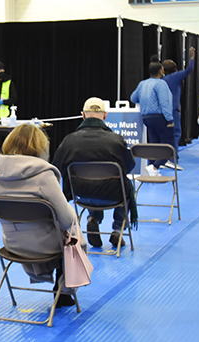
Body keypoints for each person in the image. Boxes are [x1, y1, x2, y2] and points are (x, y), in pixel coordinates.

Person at [0, 123, 78, 307]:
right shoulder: (44, 174)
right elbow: (67, 221)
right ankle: (64, 289)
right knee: (73, 234)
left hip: (11, 244)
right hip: (46, 246)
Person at [52, 97, 136, 251]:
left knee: (91, 183)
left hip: (79, 194)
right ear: (105, 115)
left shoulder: (69, 140)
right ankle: (117, 229)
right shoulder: (116, 141)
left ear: (83, 115)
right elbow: (129, 167)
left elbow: (56, 167)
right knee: (124, 184)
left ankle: (93, 218)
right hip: (113, 195)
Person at [130, 62, 174, 176]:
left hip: (146, 118)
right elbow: (165, 102)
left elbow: (133, 98)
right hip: (159, 117)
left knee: (154, 144)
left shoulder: (142, 84)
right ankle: (154, 166)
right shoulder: (161, 84)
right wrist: (169, 119)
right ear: (160, 71)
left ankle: (152, 169)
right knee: (168, 145)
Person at [161, 46, 195, 164]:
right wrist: (191, 57)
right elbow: (189, 69)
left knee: (164, 134)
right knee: (176, 132)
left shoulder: (162, 79)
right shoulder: (175, 77)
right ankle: (172, 157)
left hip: (163, 110)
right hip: (173, 109)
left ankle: (164, 157)